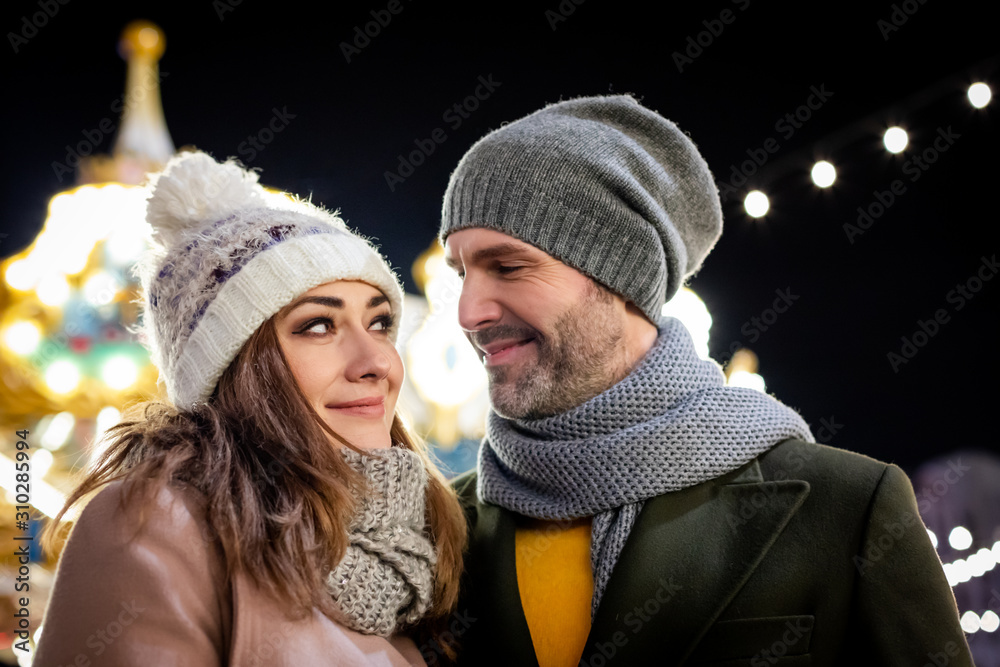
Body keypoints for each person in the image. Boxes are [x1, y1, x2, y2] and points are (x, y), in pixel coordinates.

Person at [438, 95, 973, 666]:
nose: (469, 313)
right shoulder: (445, 525)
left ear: (619, 273)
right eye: (462, 272)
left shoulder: (846, 506)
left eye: (509, 267)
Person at [34, 150, 466, 666]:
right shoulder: (156, 527)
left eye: (378, 323)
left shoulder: (422, 545)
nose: (376, 361)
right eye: (318, 326)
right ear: (236, 368)